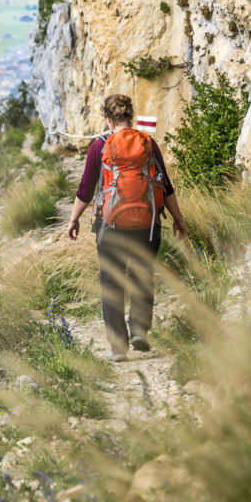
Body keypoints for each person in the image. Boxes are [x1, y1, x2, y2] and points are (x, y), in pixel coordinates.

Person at [66, 94, 186, 361]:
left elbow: (85, 190)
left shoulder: (100, 146)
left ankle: (118, 348)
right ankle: (140, 332)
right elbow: (165, 185)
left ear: (108, 118)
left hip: (110, 227)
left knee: (111, 282)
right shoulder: (148, 143)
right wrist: (178, 218)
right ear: (130, 115)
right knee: (143, 276)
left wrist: (74, 219)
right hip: (148, 225)